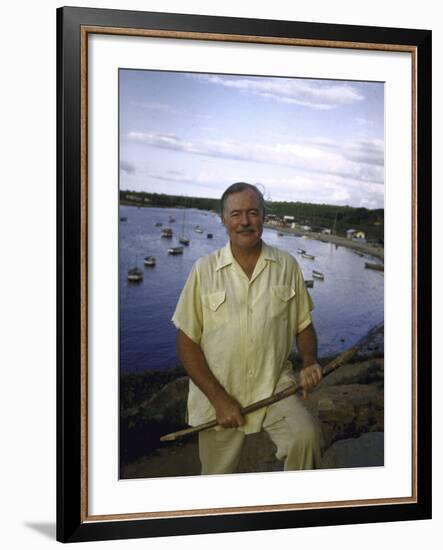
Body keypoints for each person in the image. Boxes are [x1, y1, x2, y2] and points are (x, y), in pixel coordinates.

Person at [172, 182, 323, 475]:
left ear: (263, 216)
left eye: (253, 213)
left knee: (306, 440)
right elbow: (186, 341)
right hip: (220, 394)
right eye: (236, 214)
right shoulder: (204, 270)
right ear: (223, 220)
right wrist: (218, 398)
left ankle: (301, 512)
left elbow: (303, 324)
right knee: (217, 478)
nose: (245, 222)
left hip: (274, 384)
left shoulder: (287, 265)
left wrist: (309, 362)